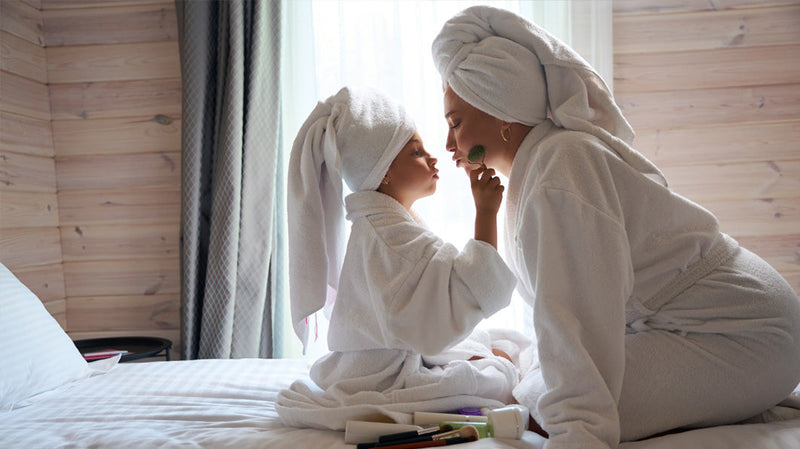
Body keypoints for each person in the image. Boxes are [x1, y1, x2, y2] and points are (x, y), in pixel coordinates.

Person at [431, 5, 800, 449]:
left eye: (456, 123)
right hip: (691, 326)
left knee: (548, 401)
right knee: (540, 380)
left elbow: (578, 320)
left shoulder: (560, 168)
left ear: (501, 108)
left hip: (750, 332)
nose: (449, 144)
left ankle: (743, 392)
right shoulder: (541, 168)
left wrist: (575, 433)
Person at [277, 86, 530, 430]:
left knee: (505, 344)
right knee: (499, 376)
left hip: (394, 354)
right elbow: (464, 292)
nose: (433, 157)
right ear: (383, 172)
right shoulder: (387, 235)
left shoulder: (384, 223)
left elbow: (433, 309)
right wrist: (485, 212)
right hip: (384, 376)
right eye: (416, 152)